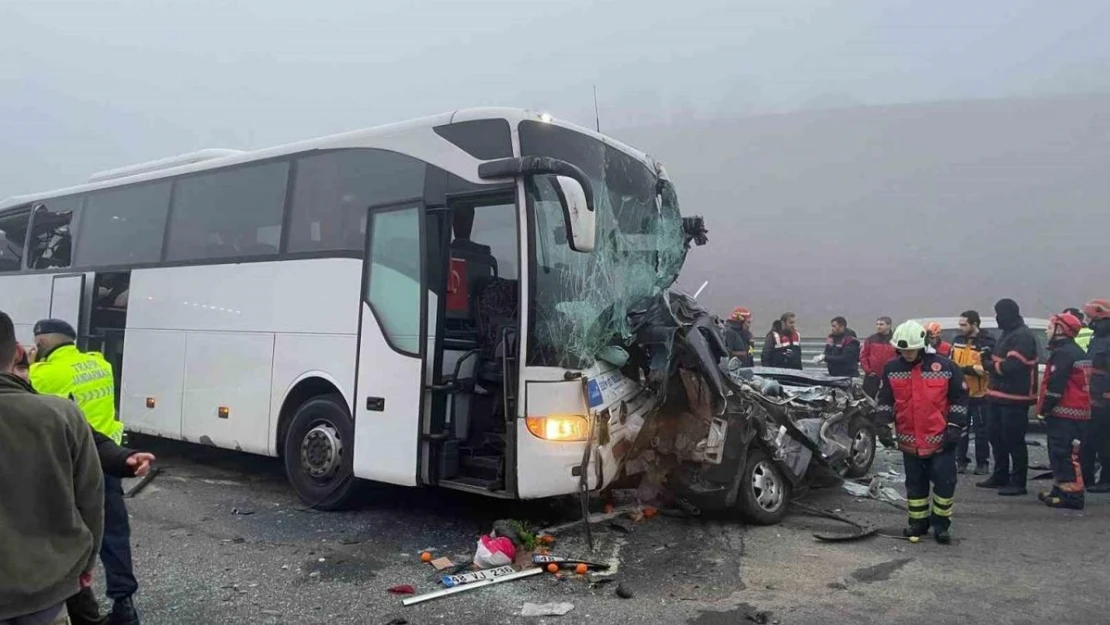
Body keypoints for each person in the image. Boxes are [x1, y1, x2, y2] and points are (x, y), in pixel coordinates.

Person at [29, 319, 140, 625]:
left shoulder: (45, 373)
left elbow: (18, 388)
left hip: (69, 465)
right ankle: (125, 606)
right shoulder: (99, 363)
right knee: (114, 535)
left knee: (65, 538)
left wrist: (29, 361)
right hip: (108, 460)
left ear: (41, 344)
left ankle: (77, 611)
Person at [0, 311, 104, 625]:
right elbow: (91, 502)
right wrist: (85, 566)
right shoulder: (64, 414)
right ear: (18, 351)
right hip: (44, 593)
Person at [875, 321, 968, 544]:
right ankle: (918, 522)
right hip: (910, 441)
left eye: (911, 350)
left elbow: (959, 400)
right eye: (903, 350)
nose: (907, 354)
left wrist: (955, 427)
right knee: (915, 485)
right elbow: (886, 400)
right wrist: (881, 423)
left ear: (923, 346)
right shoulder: (891, 368)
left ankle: (941, 524)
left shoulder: (945, 367)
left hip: (941, 439)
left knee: (945, 483)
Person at [976, 299, 1039, 497]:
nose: (996, 318)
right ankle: (1000, 475)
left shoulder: (1023, 336)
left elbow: (1012, 366)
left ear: (1008, 314)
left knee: (1014, 440)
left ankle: (1018, 481)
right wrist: (988, 356)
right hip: (997, 396)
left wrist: (988, 365)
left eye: (998, 313)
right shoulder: (1007, 333)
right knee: (995, 436)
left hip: (1015, 398)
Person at [1035, 312, 1092, 510]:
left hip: (1067, 413)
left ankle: (1072, 496)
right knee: (1058, 453)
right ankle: (1059, 490)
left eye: (1049, 328)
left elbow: (1055, 386)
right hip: (1069, 413)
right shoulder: (1070, 351)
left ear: (1060, 330)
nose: (1046, 331)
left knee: (1066, 454)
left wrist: (1044, 410)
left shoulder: (1065, 354)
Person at [950, 310, 995, 475]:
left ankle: (982, 463)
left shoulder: (987, 342)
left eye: (964, 325)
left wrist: (963, 369)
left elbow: (986, 369)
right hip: (961, 393)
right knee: (959, 428)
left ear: (974, 324)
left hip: (980, 394)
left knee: (981, 431)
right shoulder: (958, 340)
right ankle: (960, 461)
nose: (960, 328)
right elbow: (951, 362)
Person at [1081, 299, 1110, 493]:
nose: (1091, 324)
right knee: (1088, 440)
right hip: (1092, 397)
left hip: (1105, 399)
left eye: (1095, 320)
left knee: (1105, 441)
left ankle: (1106, 479)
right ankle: (1087, 477)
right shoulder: (1096, 339)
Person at [860, 316, 897, 398]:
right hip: (872, 375)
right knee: (867, 398)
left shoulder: (896, 339)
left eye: (881, 324)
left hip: (890, 375)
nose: (878, 326)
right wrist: (868, 370)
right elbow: (863, 356)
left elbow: (899, 356)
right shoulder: (871, 339)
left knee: (889, 397)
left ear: (889, 325)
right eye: (877, 324)